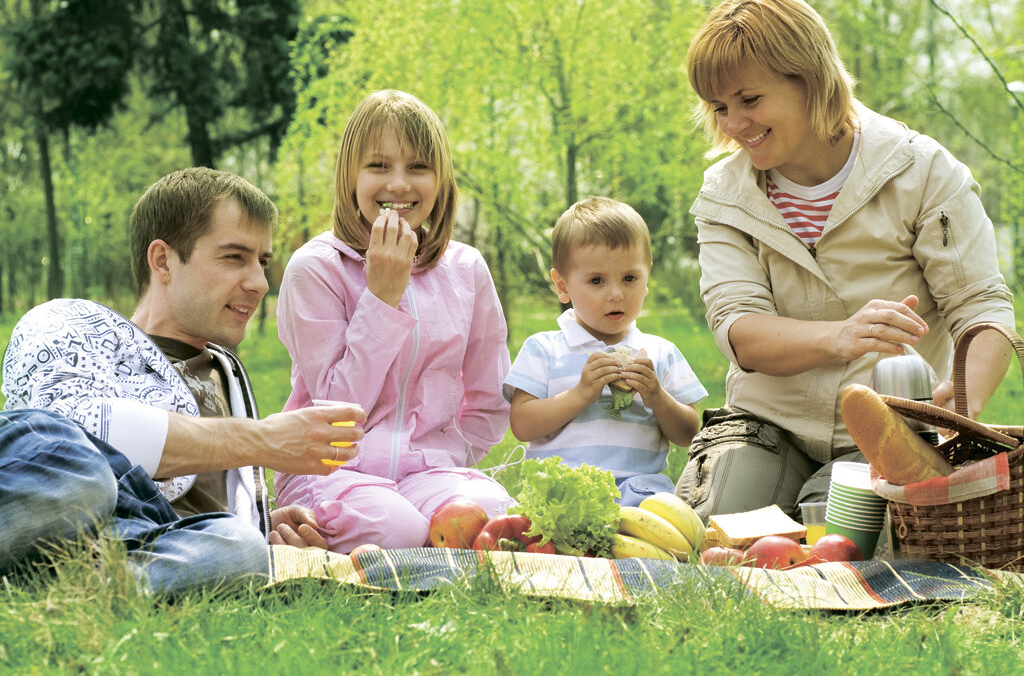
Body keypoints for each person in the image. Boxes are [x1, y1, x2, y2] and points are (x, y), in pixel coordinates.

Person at [675, 0, 1014, 522]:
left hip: (889, 423)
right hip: (765, 422)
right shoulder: (723, 194)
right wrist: (839, 336)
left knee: (832, 541)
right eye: (719, 107)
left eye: (750, 100)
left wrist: (961, 406)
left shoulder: (922, 170)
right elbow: (737, 327)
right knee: (708, 536)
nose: (733, 124)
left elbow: (982, 307)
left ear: (810, 80)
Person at [2, 167, 366, 592]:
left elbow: (200, 521)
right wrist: (264, 439)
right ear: (163, 261)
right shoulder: (71, 321)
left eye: (262, 262)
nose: (260, 283)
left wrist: (263, 522)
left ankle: (62, 589)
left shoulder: (228, 376)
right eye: (234, 257)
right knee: (83, 476)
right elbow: (72, 433)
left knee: (240, 547)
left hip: (126, 541)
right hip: (64, 490)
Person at [274, 89, 513, 552]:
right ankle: (405, 538)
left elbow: (489, 397)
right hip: (333, 469)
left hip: (430, 471)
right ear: (351, 177)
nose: (399, 185)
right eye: (379, 166)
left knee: (489, 510)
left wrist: (447, 454)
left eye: (418, 167)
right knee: (394, 530)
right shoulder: (314, 269)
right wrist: (382, 296)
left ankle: (421, 530)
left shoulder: (466, 269)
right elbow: (335, 413)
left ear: (440, 179)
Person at [503, 197, 707, 506]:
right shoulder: (543, 349)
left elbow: (690, 433)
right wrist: (581, 394)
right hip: (563, 492)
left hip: (639, 492)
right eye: (596, 281)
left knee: (664, 519)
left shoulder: (660, 352)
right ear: (563, 286)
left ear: (646, 278)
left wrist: (658, 398)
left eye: (629, 278)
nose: (616, 294)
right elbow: (522, 423)